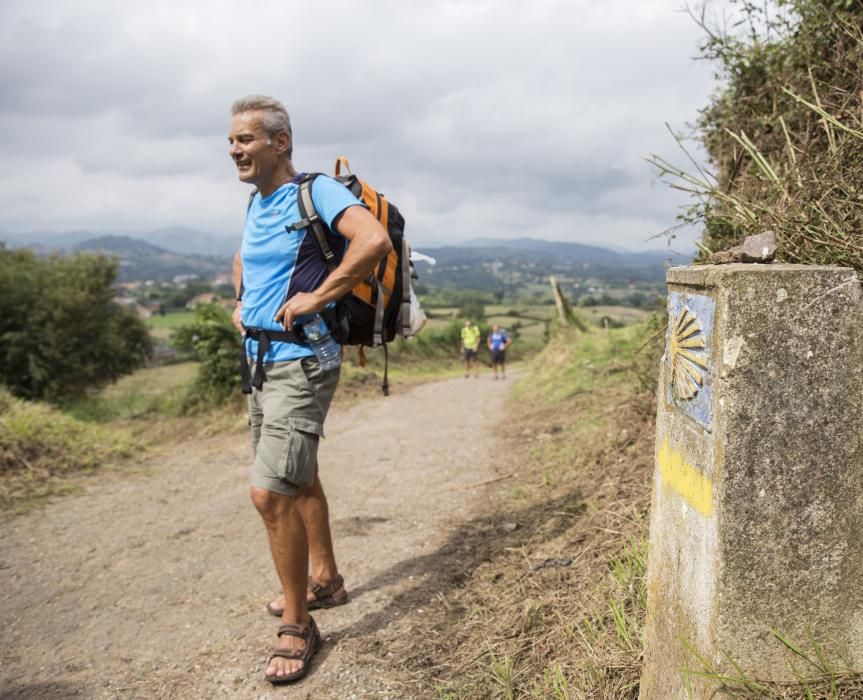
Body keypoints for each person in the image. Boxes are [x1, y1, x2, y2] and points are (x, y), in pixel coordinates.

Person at [228, 95, 391, 684]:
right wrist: (240, 302)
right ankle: (326, 580)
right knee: (297, 476)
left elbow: (373, 241)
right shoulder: (258, 201)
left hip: (303, 359)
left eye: (245, 139)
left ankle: (299, 624)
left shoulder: (316, 191)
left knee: (269, 493)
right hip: (261, 359)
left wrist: (319, 297)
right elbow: (244, 260)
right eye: (231, 141)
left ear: (280, 142)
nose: (234, 149)